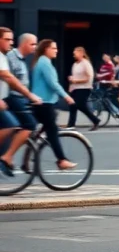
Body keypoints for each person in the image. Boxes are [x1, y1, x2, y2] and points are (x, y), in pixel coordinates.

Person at [30, 40, 76, 170]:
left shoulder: (43, 61)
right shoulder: (44, 62)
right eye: (53, 48)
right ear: (46, 49)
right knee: (52, 131)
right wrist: (66, 96)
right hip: (43, 103)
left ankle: (31, 151)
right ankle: (61, 160)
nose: (56, 50)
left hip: (44, 102)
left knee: (50, 123)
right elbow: (52, 83)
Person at [0, 28, 40, 177]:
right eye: (7, 39)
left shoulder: (3, 57)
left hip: (5, 101)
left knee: (12, 125)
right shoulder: (5, 57)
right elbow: (9, 78)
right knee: (12, 125)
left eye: (12, 39)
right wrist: (30, 95)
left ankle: (6, 156)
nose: (11, 42)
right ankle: (6, 157)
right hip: (9, 99)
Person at [65, 46, 101, 130]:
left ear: (81, 53)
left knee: (80, 105)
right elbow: (75, 76)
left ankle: (95, 120)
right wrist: (71, 80)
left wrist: (76, 81)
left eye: (75, 53)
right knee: (72, 105)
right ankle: (71, 124)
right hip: (75, 88)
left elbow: (89, 78)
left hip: (84, 88)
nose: (74, 54)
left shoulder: (86, 63)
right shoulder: (75, 64)